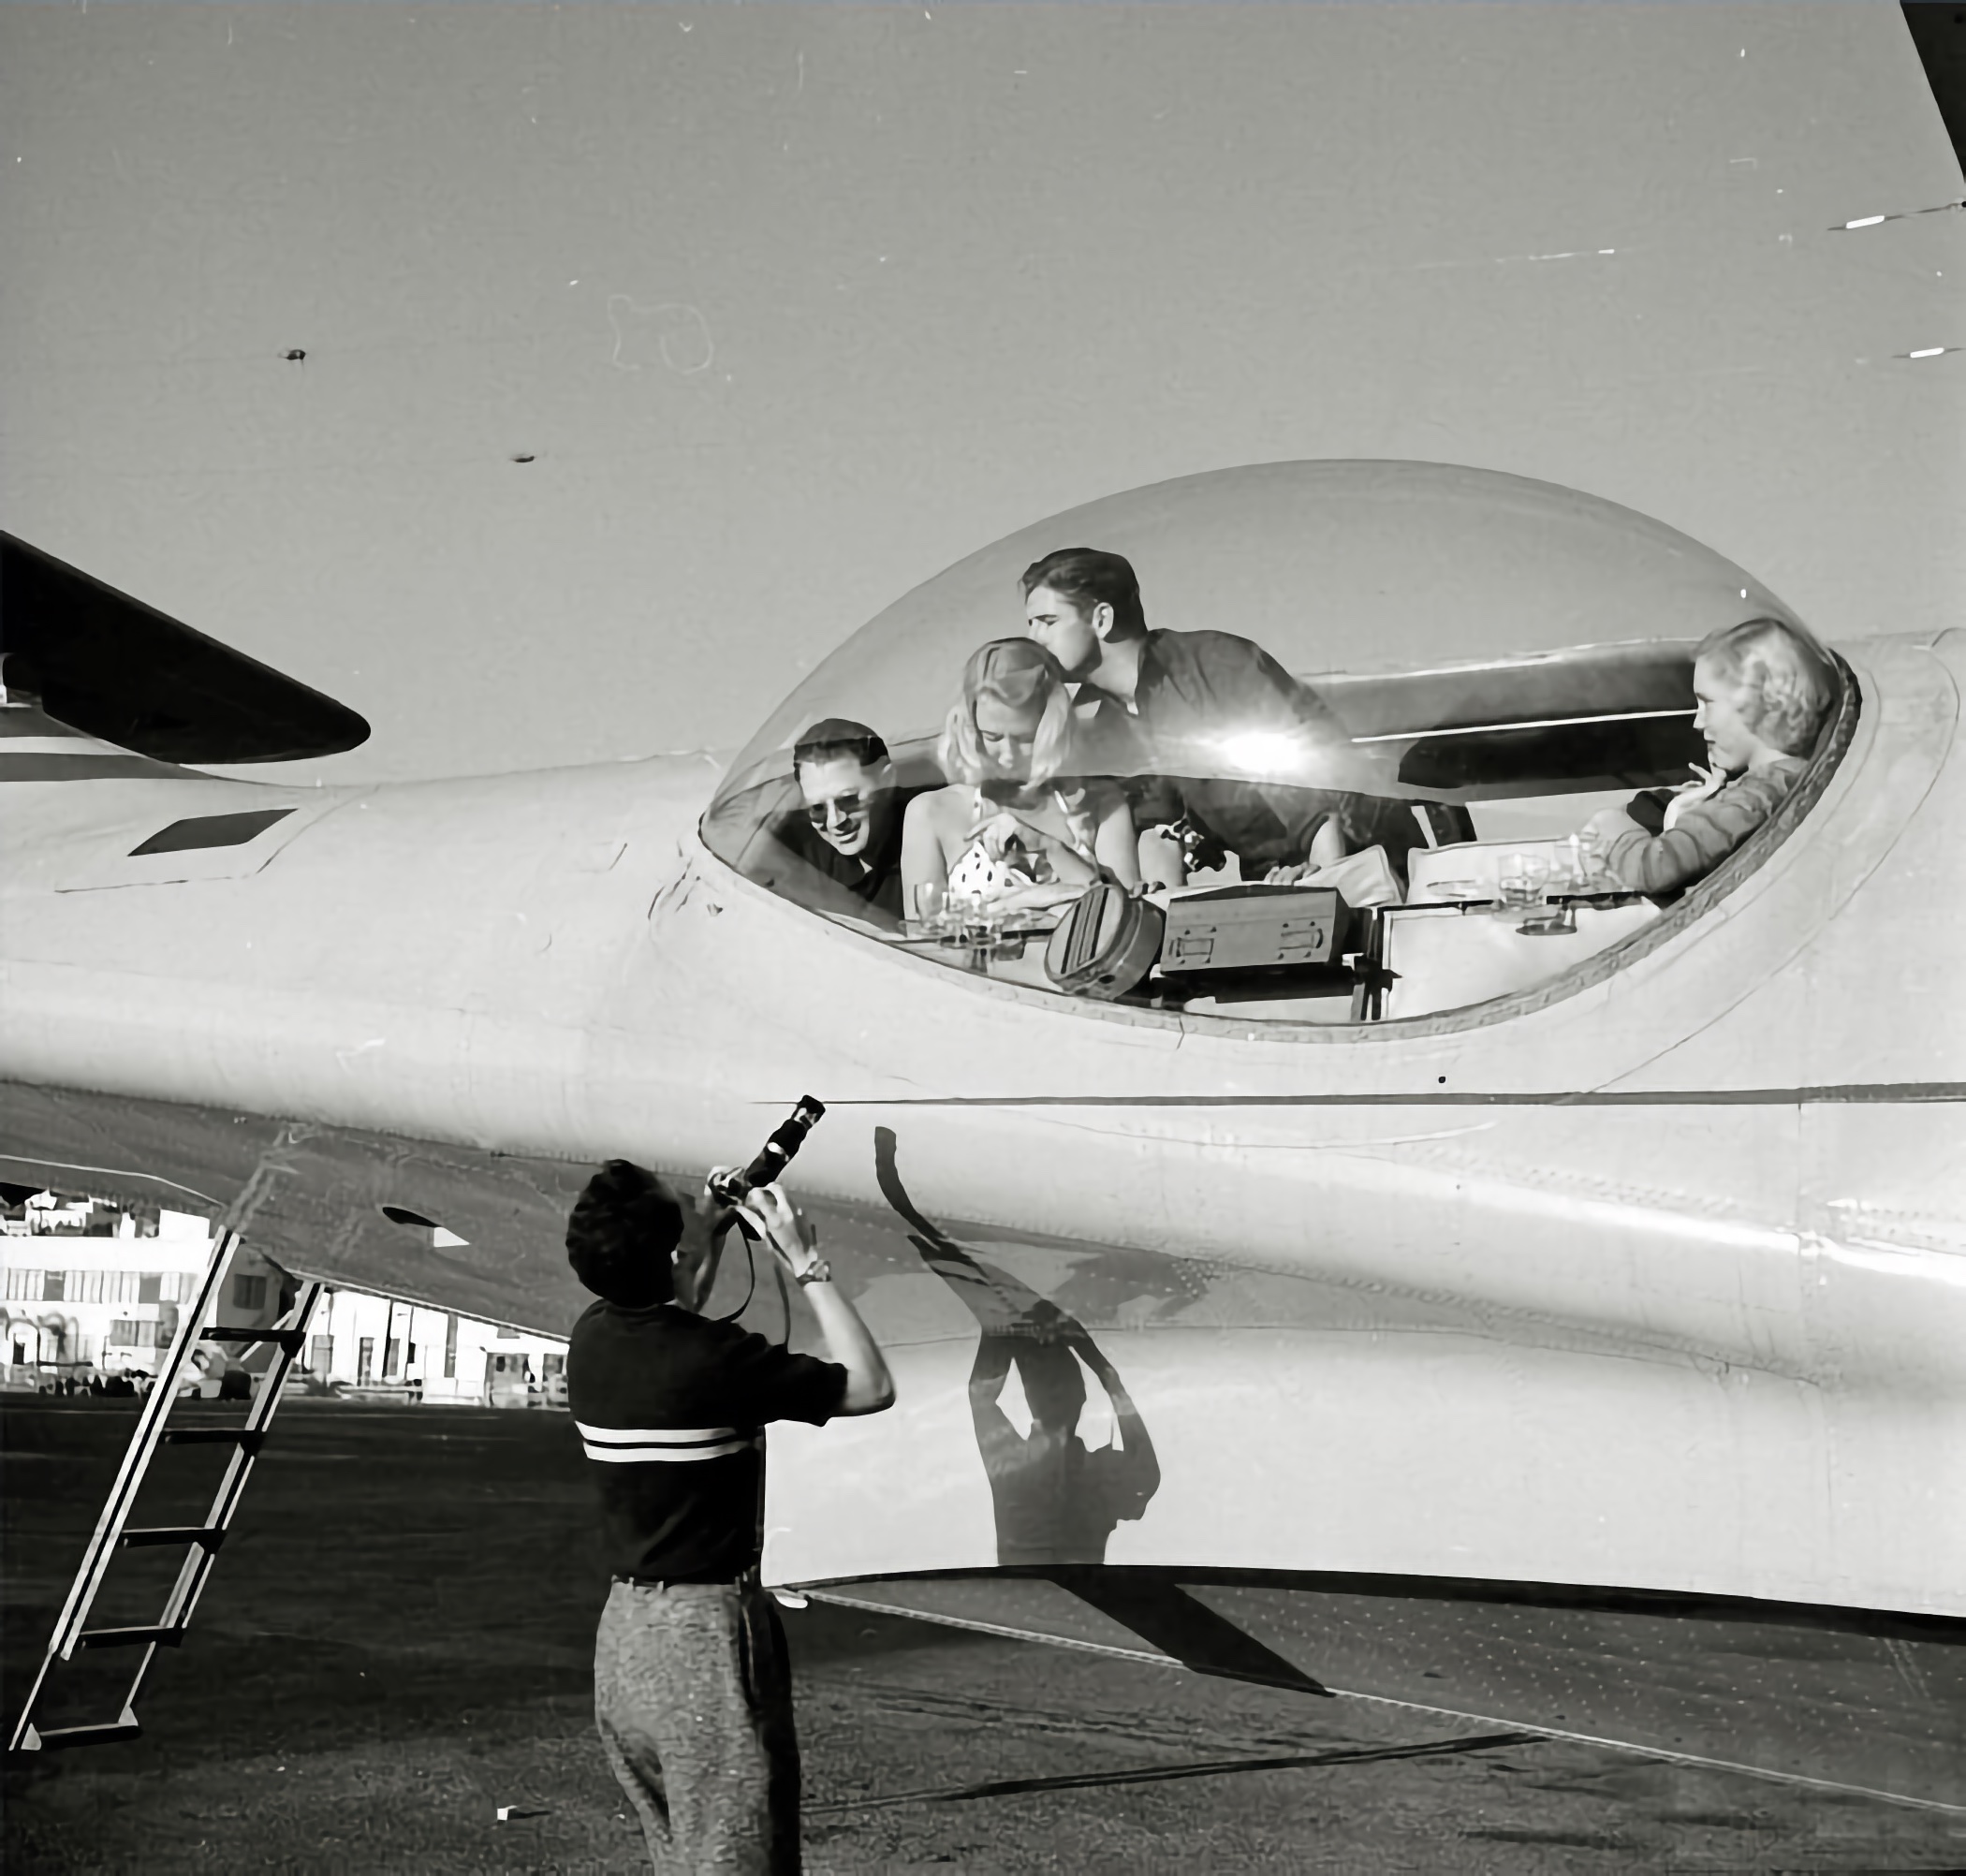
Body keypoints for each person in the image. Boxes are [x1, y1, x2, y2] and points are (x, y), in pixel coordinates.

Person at [565, 1160, 895, 1875]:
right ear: (667, 1251)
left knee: (683, 1858)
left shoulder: (590, 1341)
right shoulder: (715, 1361)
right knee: (739, 1858)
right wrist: (808, 1264)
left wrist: (705, 1228)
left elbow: (671, 1309)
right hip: (705, 1641)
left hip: (624, 1640)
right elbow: (871, 1387)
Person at [1020, 548, 1421, 886]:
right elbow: (1159, 829)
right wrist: (1161, 910)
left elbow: (1314, 781)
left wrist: (1327, 881)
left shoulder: (1217, 664)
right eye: (1031, 624)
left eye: (1048, 622)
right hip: (1278, 880)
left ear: (1101, 619)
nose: (1035, 639)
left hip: (1372, 864)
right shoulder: (1097, 718)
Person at [1582, 617, 1835, 895]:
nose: (1697, 722)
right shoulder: (1782, 780)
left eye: (1707, 704)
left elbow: (1654, 869)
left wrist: (1611, 824)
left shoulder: (1757, 796)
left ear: (1757, 704)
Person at [900, 638, 1141, 922]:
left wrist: (1051, 848)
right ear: (972, 728)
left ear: (1055, 728)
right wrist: (1021, 904)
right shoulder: (931, 813)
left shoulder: (1101, 803)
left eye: (1025, 739)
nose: (1007, 755)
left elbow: (1124, 922)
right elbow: (922, 941)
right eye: (992, 737)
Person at [776, 720, 905, 922]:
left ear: (887, 783)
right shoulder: (799, 849)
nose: (834, 821)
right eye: (817, 807)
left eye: (848, 800)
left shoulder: (928, 845)